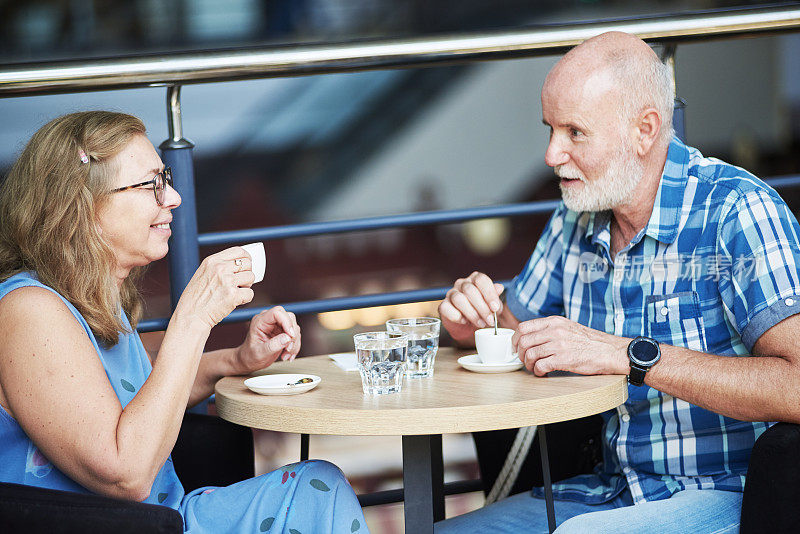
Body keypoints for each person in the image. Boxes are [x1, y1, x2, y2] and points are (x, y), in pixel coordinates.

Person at [436, 31, 800, 533]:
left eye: (574, 133)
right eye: (549, 129)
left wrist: (628, 355)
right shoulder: (577, 219)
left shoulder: (736, 211)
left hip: (730, 494)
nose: (550, 155)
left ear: (645, 130)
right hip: (610, 489)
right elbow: (513, 327)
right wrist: (473, 320)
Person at [0, 111, 368, 533]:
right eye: (150, 185)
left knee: (318, 484)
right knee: (317, 487)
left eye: (166, 178)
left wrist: (235, 360)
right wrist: (192, 318)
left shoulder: (90, 296)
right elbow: (126, 472)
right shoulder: (30, 310)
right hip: (118, 526)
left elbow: (139, 399)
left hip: (163, 519)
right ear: (80, 206)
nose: (173, 198)